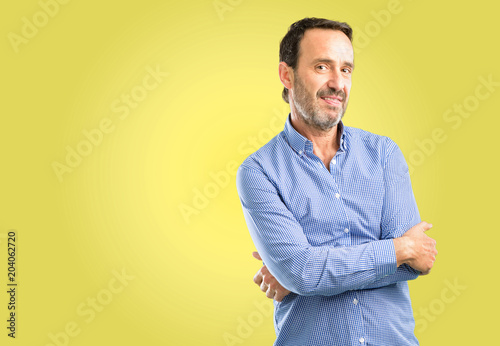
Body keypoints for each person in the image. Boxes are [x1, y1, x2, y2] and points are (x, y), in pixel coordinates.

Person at [235, 17, 437, 345]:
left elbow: (416, 263)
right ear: (287, 75)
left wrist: (303, 273)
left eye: (346, 70)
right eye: (322, 67)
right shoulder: (259, 172)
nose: (337, 83)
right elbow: (303, 271)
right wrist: (397, 249)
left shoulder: (384, 154)